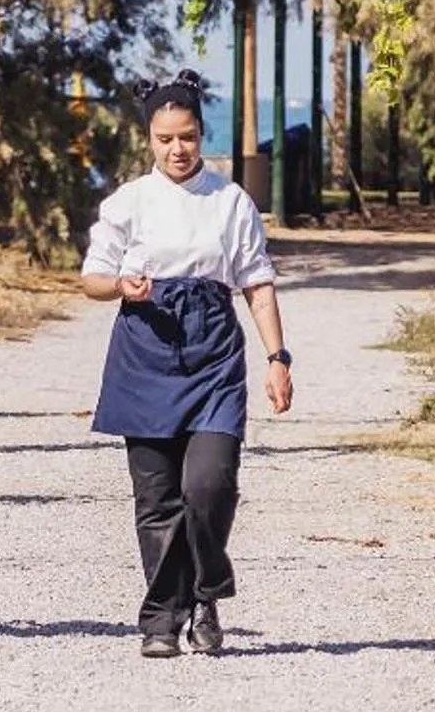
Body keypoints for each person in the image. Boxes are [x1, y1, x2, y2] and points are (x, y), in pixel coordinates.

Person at [80, 69, 293, 658]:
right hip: (144, 349)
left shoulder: (230, 201)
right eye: (165, 139)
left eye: (189, 137)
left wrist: (277, 357)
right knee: (156, 499)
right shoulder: (129, 202)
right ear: (148, 138)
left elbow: (257, 282)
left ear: (202, 134)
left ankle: (205, 592)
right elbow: (90, 279)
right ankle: (164, 617)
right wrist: (121, 284)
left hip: (213, 353)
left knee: (209, 485)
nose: (177, 149)